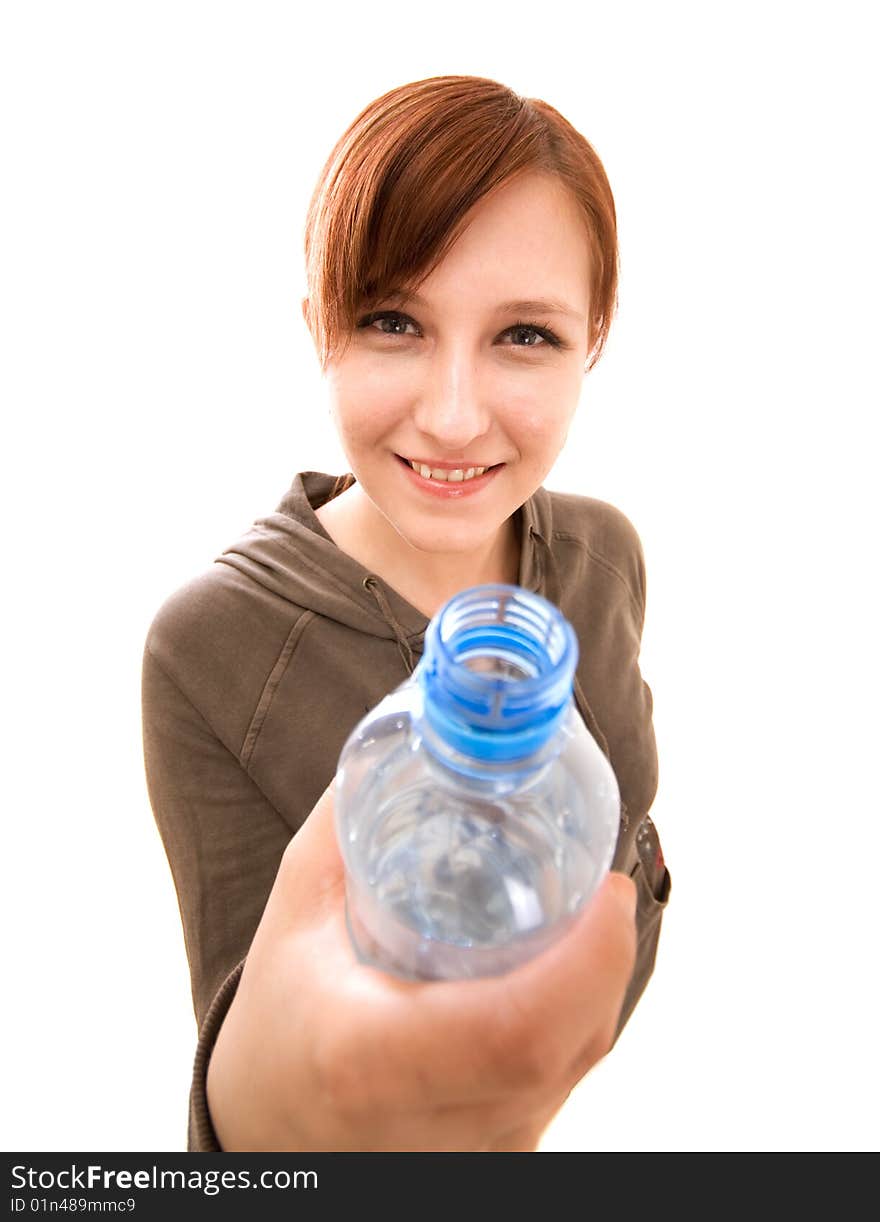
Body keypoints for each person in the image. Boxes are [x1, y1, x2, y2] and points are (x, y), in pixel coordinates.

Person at [141, 73, 671, 1153]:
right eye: (392, 321)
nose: (453, 414)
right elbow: (241, 1115)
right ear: (319, 330)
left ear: (594, 340)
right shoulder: (212, 650)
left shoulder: (604, 557)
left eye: (524, 335)